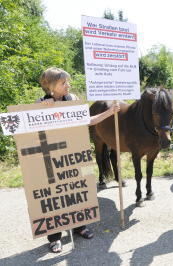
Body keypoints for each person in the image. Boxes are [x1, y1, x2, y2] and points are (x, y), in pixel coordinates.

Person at [37, 67, 120, 253]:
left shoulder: (73, 100)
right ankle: (55, 236)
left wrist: (110, 112)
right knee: (56, 196)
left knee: (79, 189)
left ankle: (79, 226)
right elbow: (33, 132)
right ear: (51, 86)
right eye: (63, 83)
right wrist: (44, 111)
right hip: (53, 157)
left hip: (75, 154)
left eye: (67, 81)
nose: (68, 85)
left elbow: (88, 120)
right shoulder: (40, 103)